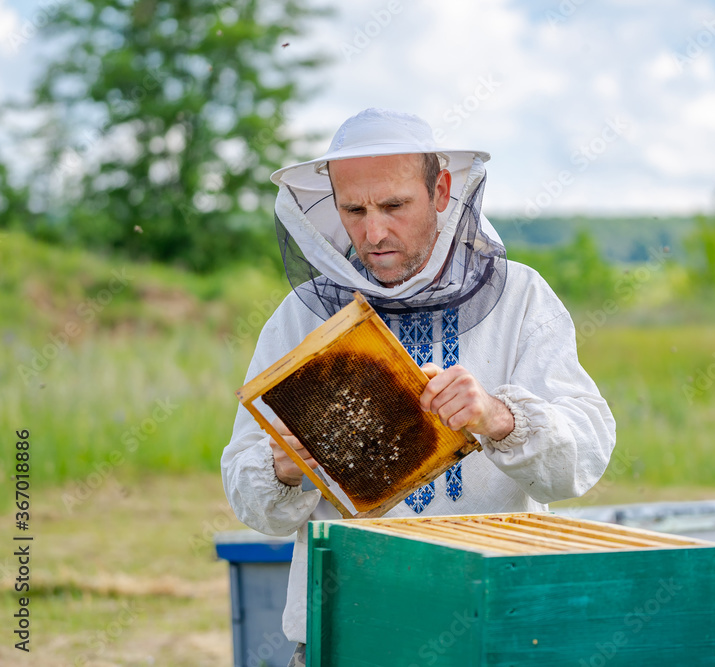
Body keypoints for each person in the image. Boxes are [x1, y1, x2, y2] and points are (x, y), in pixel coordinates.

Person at [220, 108, 616, 665]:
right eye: (353, 209)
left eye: (393, 206)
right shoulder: (298, 319)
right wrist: (286, 467)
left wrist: (500, 419)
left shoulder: (522, 299)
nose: (372, 231)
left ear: (441, 191)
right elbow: (252, 500)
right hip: (348, 622)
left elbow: (585, 458)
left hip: (496, 620)